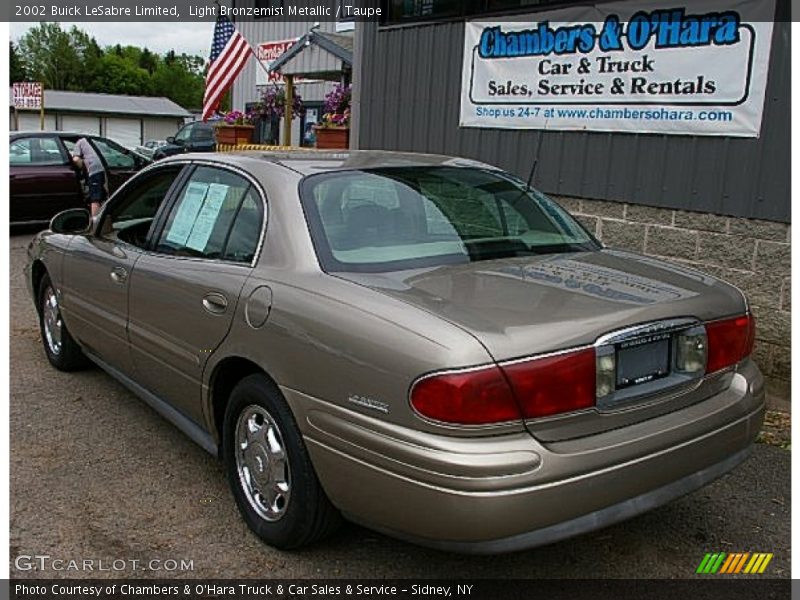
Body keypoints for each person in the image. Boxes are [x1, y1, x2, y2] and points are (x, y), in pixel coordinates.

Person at [71, 138, 107, 217]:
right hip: (106, 168)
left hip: (94, 170)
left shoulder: (80, 142)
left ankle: (95, 223)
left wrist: (84, 167)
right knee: (104, 197)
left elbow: (76, 159)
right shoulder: (97, 141)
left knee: (95, 199)